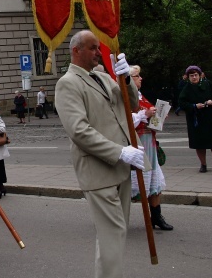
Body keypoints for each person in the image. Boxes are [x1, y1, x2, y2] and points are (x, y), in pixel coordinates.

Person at [55, 30, 145, 278]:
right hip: (98, 169)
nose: (98, 52)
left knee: (117, 232)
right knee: (113, 232)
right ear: (77, 51)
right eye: (93, 48)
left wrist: (125, 79)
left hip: (122, 166)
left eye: (98, 47)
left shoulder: (105, 77)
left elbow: (132, 105)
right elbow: (78, 130)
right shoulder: (67, 83)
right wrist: (120, 152)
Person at [128, 66, 173, 231]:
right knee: (131, 185)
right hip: (136, 143)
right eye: (137, 76)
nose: (141, 79)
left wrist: (158, 116)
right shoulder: (125, 98)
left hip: (149, 142)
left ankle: (156, 217)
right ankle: (114, 217)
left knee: (154, 182)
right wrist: (145, 115)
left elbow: (149, 117)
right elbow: (124, 121)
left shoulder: (141, 96)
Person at [178, 66, 212, 173]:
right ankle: (203, 164)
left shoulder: (208, 84)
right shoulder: (186, 88)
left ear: (200, 75)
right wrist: (194, 106)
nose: (194, 77)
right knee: (199, 143)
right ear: (188, 77)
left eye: (196, 75)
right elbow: (182, 103)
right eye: (191, 76)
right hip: (196, 120)